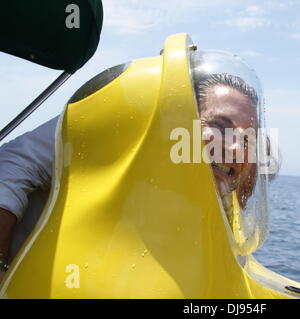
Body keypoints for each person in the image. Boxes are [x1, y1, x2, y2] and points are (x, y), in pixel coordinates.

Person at [0, 72, 278, 282]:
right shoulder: (123, 125)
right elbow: (14, 163)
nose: (233, 148)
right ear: (179, 118)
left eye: (245, 140)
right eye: (219, 125)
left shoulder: (211, 203)